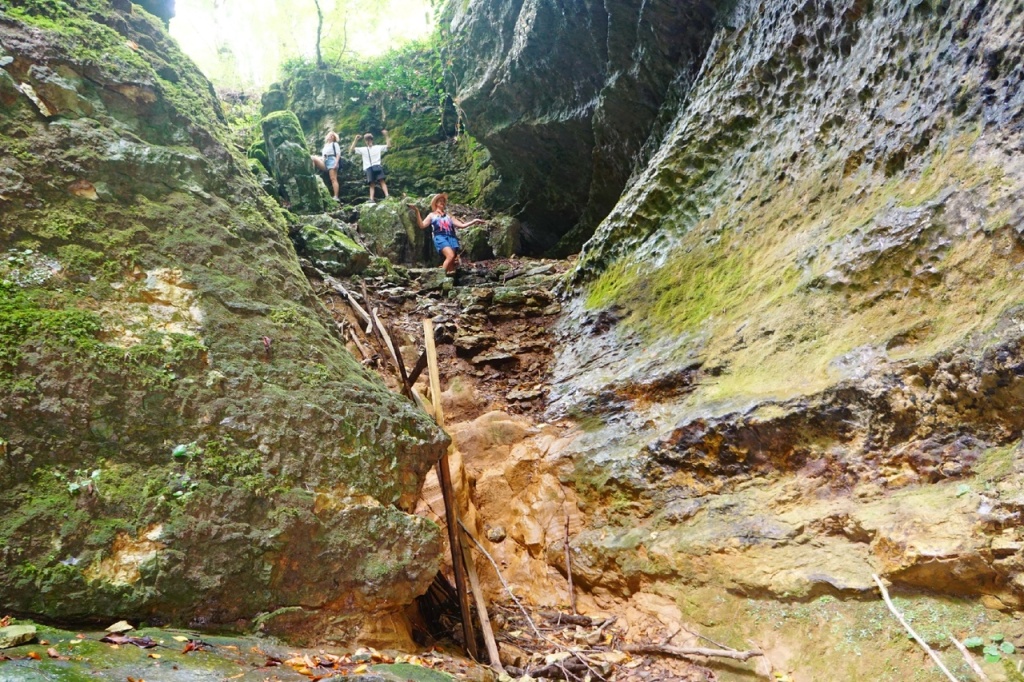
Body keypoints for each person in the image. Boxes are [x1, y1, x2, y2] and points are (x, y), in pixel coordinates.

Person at [408, 193, 485, 275]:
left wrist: (474, 221)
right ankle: (440, 276)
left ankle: (449, 279)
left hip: (451, 237)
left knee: (451, 262)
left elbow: (462, 225)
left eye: (443, 201)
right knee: (450, 256)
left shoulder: (448, 216)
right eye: (440, 201)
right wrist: (417, 211)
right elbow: (422, 225)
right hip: (440, 237)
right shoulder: (432, 215)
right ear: (436, 203)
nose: (442, 202)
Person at [350, 129, 391, 202]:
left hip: (377, 166)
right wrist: (356, 140)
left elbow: (388, 146)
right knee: (372, 184)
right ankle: (371, 199)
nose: (368, 141)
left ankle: (387, 195)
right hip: (369, 168)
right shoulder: (363, 149)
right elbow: (352, 149)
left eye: (369, 139)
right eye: (366, 140)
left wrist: (386, 135)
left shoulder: (377, 147)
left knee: (382, 181)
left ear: (372, 140)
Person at [321, 131, 342, 201]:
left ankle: (336, 196)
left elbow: (338, 154)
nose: (331, 136)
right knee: (313, 159)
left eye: (333, 136)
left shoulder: (335, 144)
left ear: (334, 138)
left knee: (333, 179)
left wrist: (336, 163)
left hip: (332, 160)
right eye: (330, 135)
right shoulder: (325, 145)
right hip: (325, 160)